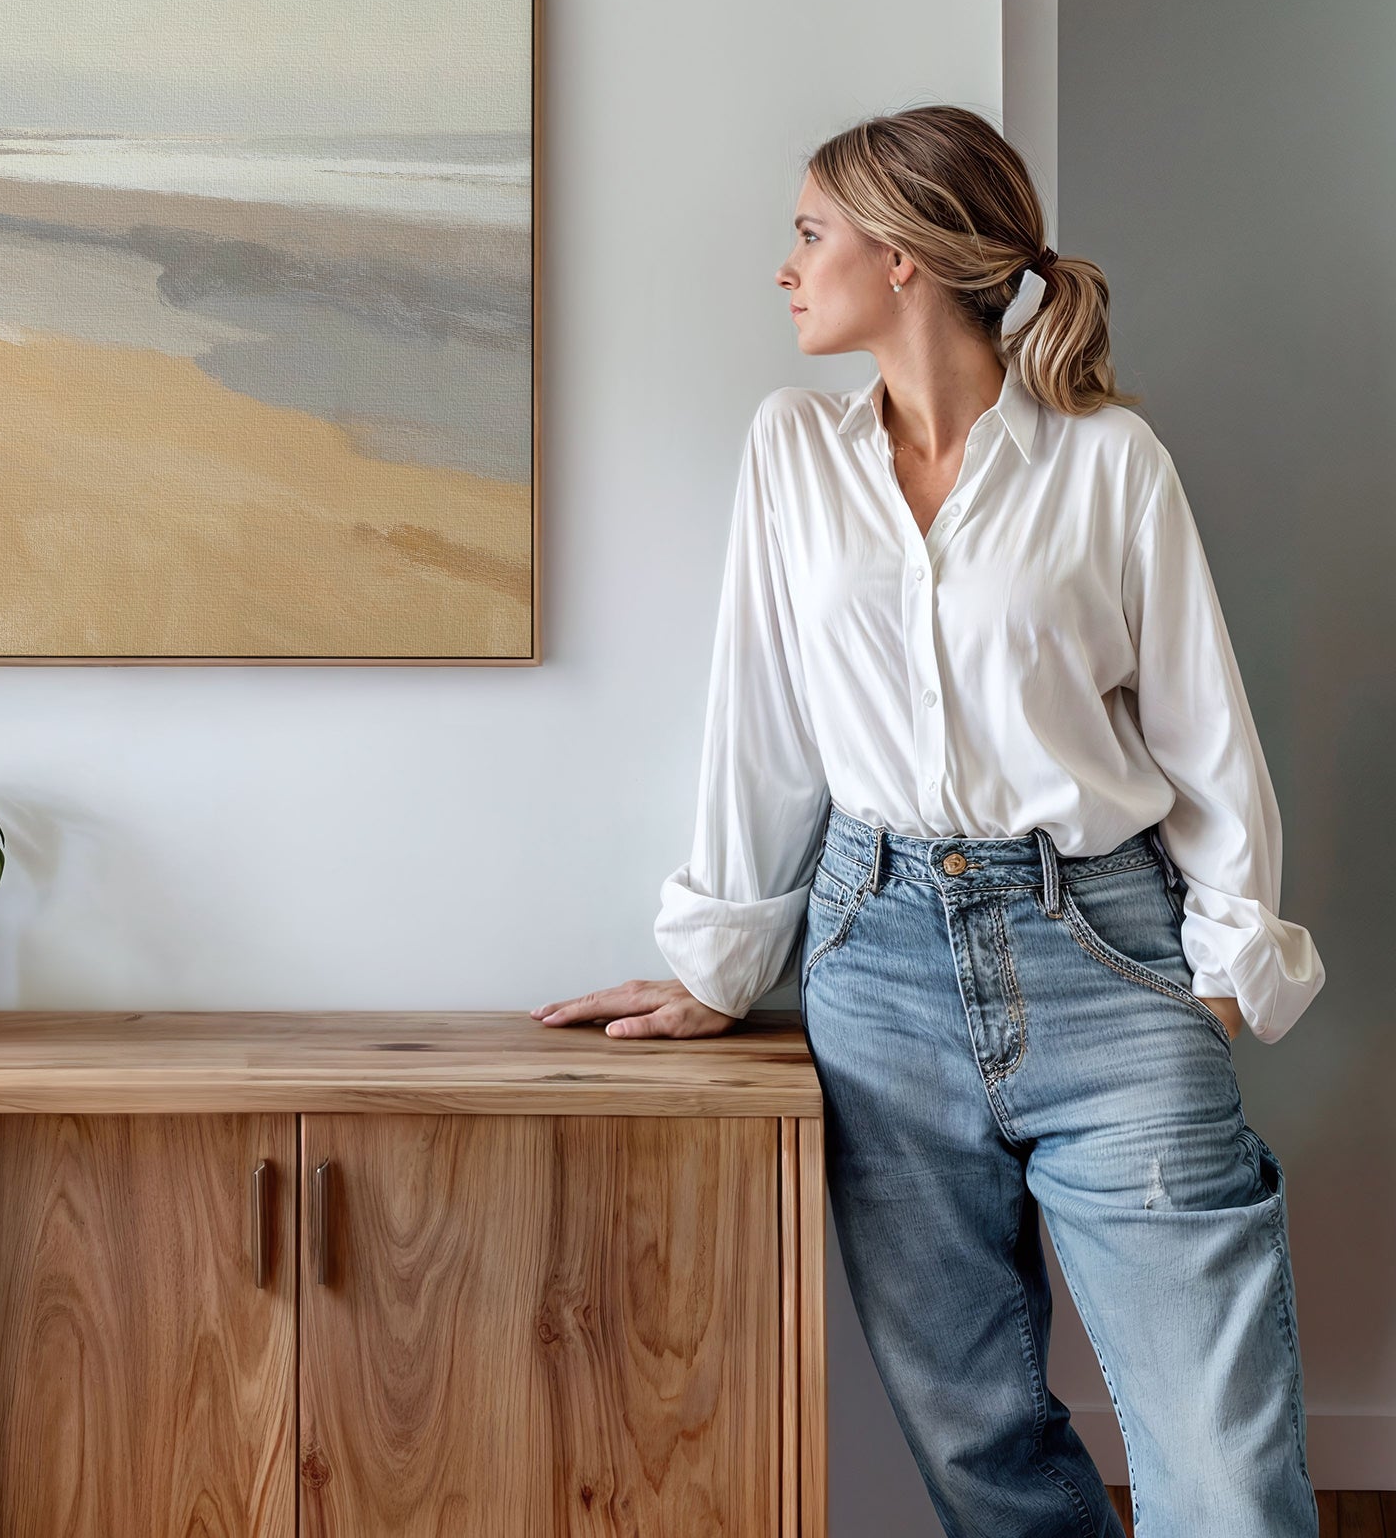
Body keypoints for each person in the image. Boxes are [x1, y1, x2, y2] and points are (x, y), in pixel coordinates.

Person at [532, 106, 1324, 1536]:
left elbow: (1205, 732)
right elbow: (762, 722)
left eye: (810, 234)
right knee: (978, 1447)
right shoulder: (792, 450)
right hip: (878, 967)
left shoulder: (1108, 461)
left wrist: (1220, 976)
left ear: (902, 257)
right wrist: (722, 962)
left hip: (1106, 954)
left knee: (1222, 1466)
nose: (786, 268)